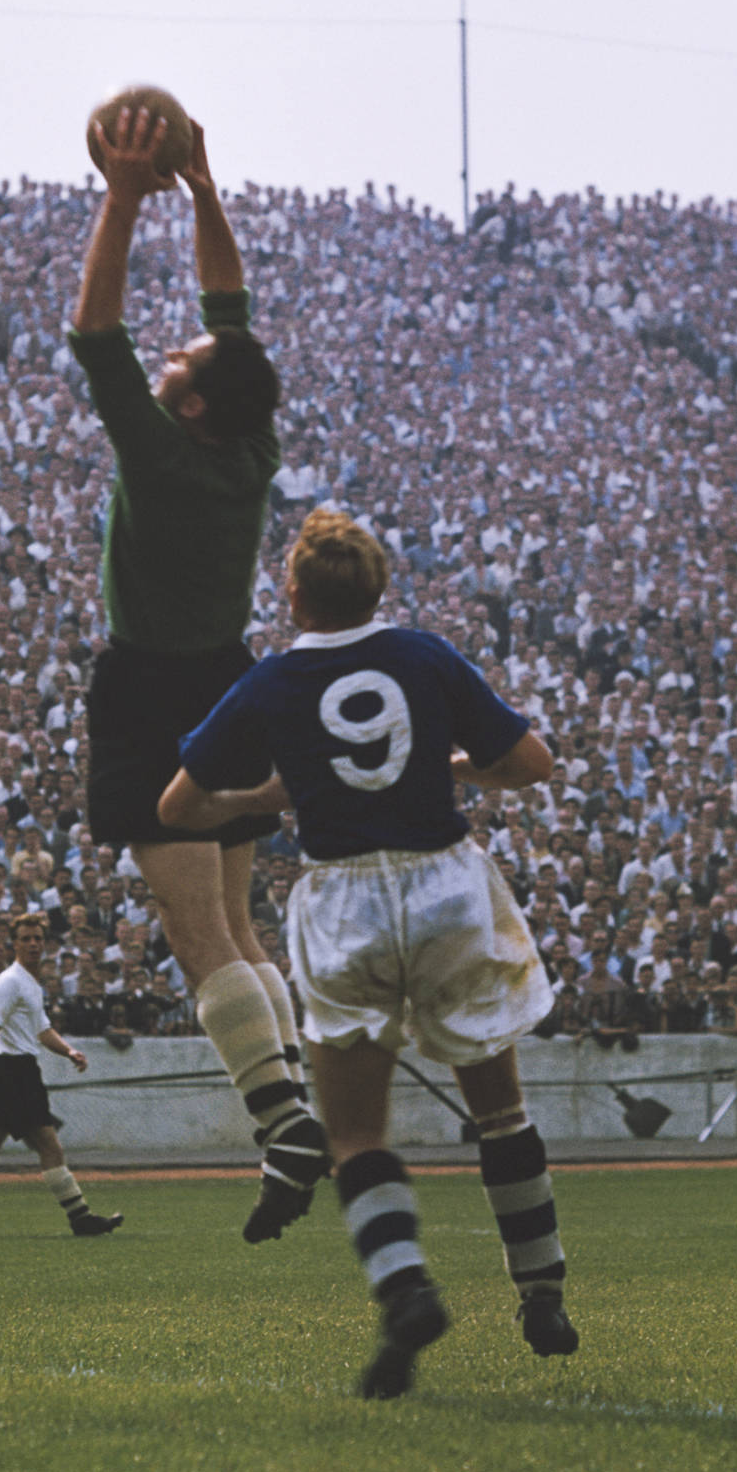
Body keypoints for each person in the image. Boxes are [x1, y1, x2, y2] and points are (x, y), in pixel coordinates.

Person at [160, 509, 578, 1398]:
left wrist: (267, 793)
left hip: (343, 895)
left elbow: (178, 809)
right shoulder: (426, 656)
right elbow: (534, 763)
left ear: (295, 592)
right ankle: (541, 1291)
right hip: (446, 888)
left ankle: (405, 1287)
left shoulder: (272, 682)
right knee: (499, 1112)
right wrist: (453, 767)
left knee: (353, 1133)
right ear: (379, 586)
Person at [68, 103, 328, 1242]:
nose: (177, 349)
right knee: (239, 917)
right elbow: (231, 316)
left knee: (196, 928)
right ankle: (298, 1105)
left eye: (184, 362)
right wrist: (207, 193)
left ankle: (284, 1125)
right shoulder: (251, 444)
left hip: (153, 687)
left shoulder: (157, 445)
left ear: (186, 404)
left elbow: (95, 333)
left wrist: (127, 197)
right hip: (230, 678)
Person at [0, 912, 122, 1237]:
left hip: (17, 1070)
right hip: (12, 1072)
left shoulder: (30, 982)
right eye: (26, 939)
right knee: (49, 1147)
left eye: (38, 938)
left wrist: (69, 1051)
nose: (33, 944)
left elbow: (42, 1030)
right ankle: (81, 1218)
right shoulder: (9, 982)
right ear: (14, 943)